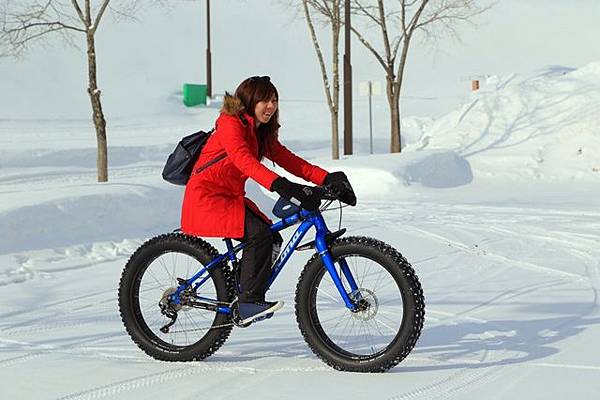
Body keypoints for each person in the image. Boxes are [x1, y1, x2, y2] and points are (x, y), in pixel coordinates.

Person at [180, 76, 355, 324]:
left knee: (271, 236)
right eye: (264, 100)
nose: (270, 106)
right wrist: (282, 186)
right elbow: (243, 160)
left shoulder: (259, 132)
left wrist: (327, 178)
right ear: (250, 101)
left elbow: (290, 160)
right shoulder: (230, 123)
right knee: (259, 234)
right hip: (207, 197)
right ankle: (248, 301)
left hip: (229, 198)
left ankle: (243, 291)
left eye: (274, 100)